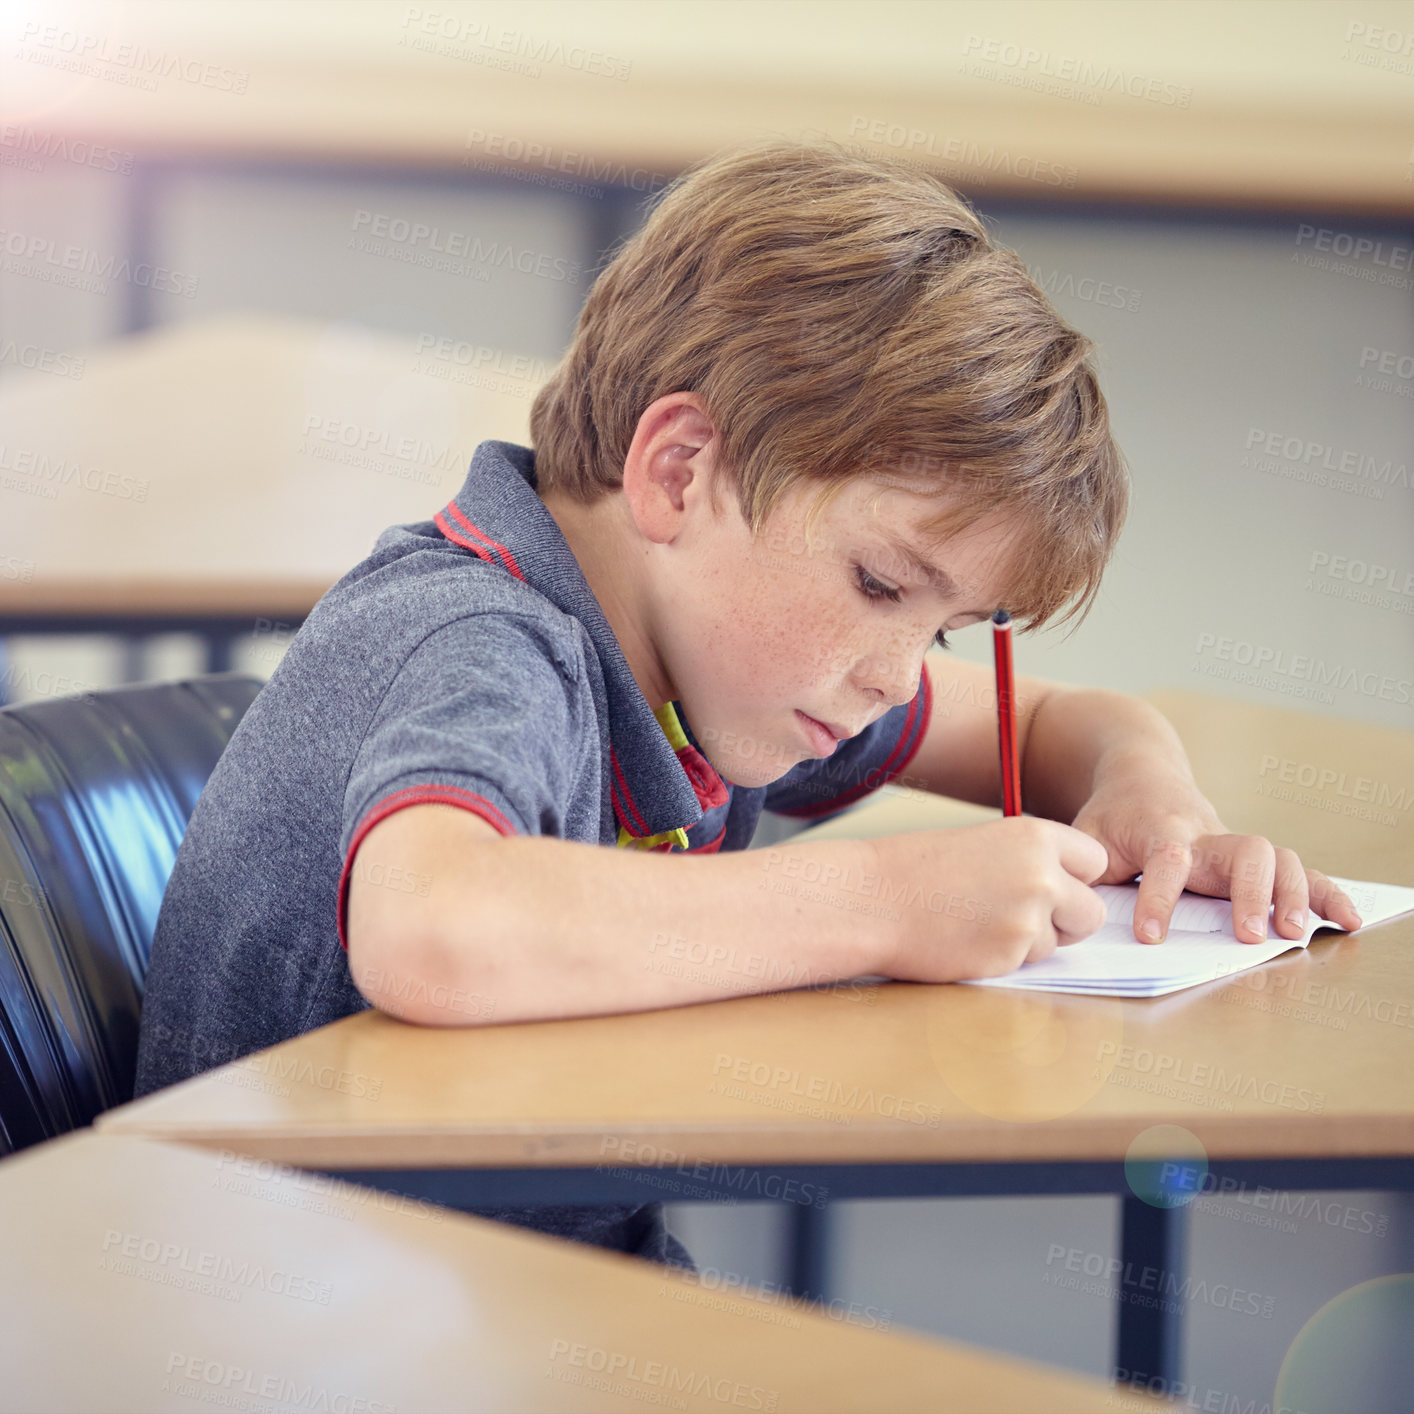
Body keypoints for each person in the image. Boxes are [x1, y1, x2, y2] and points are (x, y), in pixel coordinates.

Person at [134, 139, 1362, 1270]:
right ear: (678, 472)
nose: (896, 670)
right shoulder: (483, 638)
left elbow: (1055, 726)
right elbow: (437, 928)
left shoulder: (710, 665)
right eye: (879, 584)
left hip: (504, 1294)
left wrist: (1153, 802)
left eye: (936, 628)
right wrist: (888, 901)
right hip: (308, 1320)